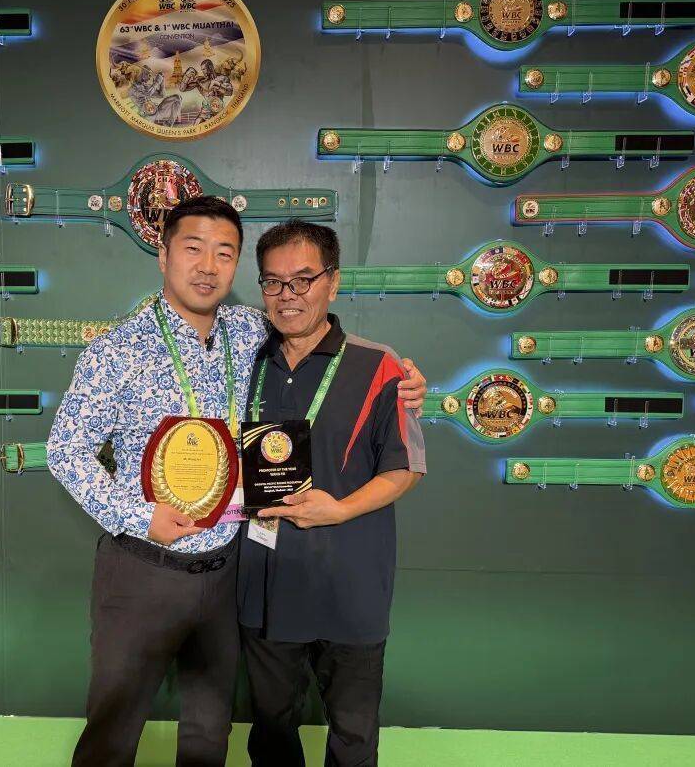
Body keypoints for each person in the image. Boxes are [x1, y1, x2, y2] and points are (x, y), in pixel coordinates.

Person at [47, 197, 426, 767]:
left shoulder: (250, 332)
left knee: (209, 733)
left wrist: (406, 378)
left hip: (228, 570)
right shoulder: (116, 349)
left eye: (224, 253)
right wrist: (138, 515)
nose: (208, 266)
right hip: (144, 567)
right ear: (163, 255)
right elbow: (65, 449)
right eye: (193, 248)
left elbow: (323, 339)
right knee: (113, 731)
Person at [238, 219, 427, 767]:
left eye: (303, 279)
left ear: (333, 282)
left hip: (350, 585)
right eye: (273, 282)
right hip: (265, 583)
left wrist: (339, 509)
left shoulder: (380, 365)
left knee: (353, 738)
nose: (287, 295)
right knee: (271, 735)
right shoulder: (244, 361)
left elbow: (407, 468)